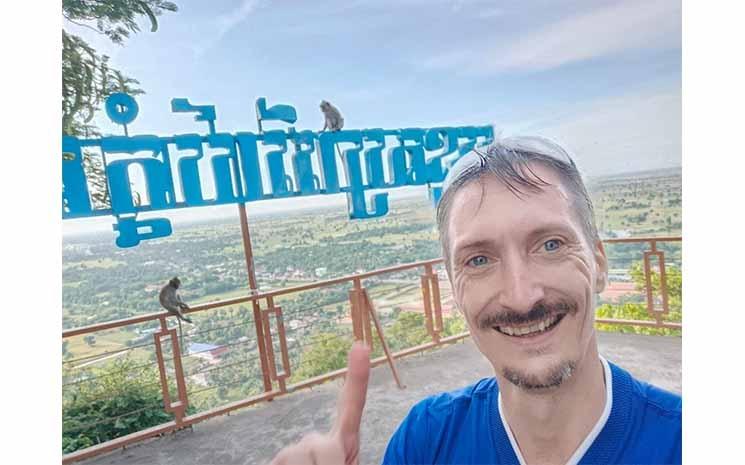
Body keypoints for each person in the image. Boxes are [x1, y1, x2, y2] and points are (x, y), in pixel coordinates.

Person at [268, 136, 682, 465]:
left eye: (551, 245)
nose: (521, 297)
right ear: (455, 289)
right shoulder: (427, 442)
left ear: (599, 263)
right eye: (479, 260)